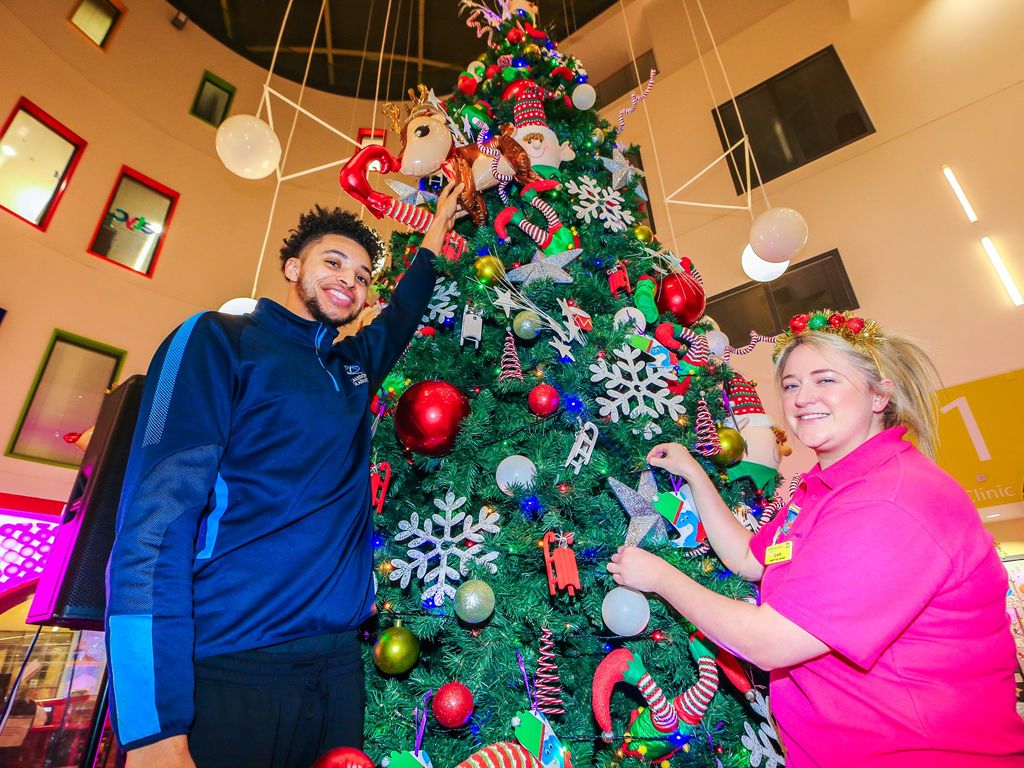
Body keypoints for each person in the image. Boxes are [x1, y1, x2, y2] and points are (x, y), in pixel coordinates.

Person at [105, 184, 464, 768]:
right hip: (236, 669)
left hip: (338, 676)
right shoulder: (219, 338)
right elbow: (155, 518)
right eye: (334, 261)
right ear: (292, 267)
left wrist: (436, 230)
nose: (352, 278)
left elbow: (401, 317)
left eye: (364, 273)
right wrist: (151, 728)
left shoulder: (350, 370)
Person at [607, 309, 1024, 766]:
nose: (803, 397)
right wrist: (693, 474)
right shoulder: (823, 486)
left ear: (879, 395)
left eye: (825, 380)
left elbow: (771, 642)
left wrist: (662, 578)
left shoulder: (892, 500)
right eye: (791, 384)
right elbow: (751, 556)